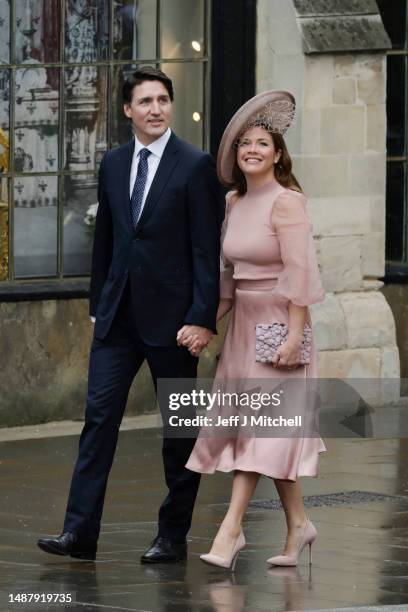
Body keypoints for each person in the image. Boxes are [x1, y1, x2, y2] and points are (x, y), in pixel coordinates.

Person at [37, 66, 224, 563]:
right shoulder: (114, 163)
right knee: (98, 422)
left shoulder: (195, 164)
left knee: (178, 430)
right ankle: (79, 533)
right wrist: (98, 305)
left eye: (163, 99)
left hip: (176, 324)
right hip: (117, 320)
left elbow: (207, 249)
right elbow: (108, 241)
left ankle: (172, 536)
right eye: (145, 102)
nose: (156, 109)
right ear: (128, 110)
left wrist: (203, 318)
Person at [184, 90, 326, 569]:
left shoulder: (288, 203)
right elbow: (228, 278)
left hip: (280, 331)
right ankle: (300, 525)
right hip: (244, 330)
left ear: (278, 153)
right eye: (244, 143)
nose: (252, 149)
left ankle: (230, 532)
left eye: (262, 143)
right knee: (263, 432)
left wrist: (293, 335)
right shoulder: (233, 201)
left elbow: (301, 275)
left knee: (261, 433)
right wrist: (206, 325)